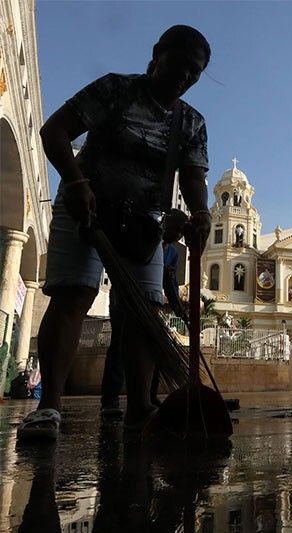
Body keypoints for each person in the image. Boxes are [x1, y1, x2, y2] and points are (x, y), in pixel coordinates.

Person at [18, 25, 212, 440]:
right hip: (84, 207)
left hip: (143, 225)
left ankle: (139, 408)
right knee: (74, 296)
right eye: (180, 64)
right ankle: (49, 406)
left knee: (145, 314)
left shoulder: (191, 123)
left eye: (195, 73)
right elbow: (54, 131)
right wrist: (74, 181)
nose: (186, 77)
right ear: (158, 53)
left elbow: (194, 176)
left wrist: (200, 212)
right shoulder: (116, 90)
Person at [100, 209, 189, 417]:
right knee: (119, 345)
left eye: (180, 233)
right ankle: (110, 399)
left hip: (152, 302)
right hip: (125, 294)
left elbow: (171, 284)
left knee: (155, 347)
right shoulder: (145, 234)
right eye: (174, 228)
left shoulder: (172, 253)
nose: (176, 235)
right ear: (165, 222)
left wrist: (179, 308)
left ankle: (149, 396)